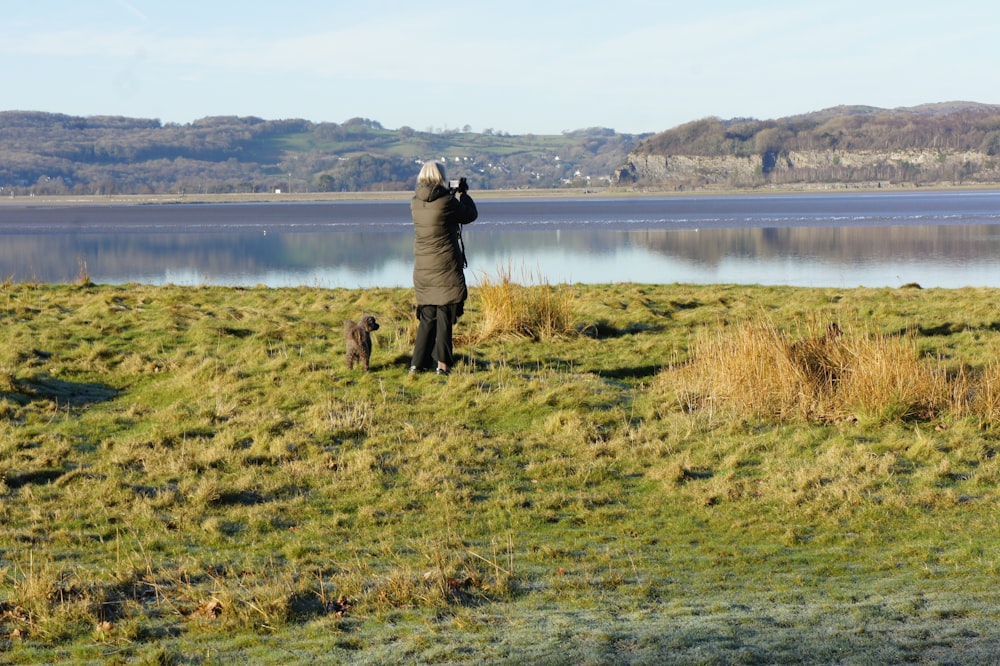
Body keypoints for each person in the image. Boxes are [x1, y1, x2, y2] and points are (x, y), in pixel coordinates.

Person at [409, 161, 478, 376]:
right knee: (445, 317)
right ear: (442, 177)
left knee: (427, 318)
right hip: (445, 268)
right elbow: (469, 215)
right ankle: (443, 366)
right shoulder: (447, 201)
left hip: (423, 268)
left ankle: (417, 364)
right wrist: (463, 194)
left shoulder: (414, 203)